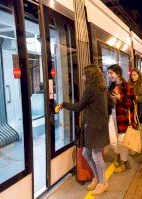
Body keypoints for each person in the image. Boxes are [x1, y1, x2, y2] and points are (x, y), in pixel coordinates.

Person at [55, 65, 110, 196]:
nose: (82, 77)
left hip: (95, 127)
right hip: (95, 126)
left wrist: (64, 104)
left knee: (96, 156)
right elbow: (109, 104)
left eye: (84, 74)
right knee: (86, 153)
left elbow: (79, 106)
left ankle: (103, 183)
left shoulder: (91, 88)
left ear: (90, 75)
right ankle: (97, 178)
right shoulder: (101, 87)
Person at [108, 64, 136, 173]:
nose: (109, 76)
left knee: (121, 141)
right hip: (111, 115)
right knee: (113, 142)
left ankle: (124, 162)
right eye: (109, 73)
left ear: (118, 74)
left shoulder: (127, 86)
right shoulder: (111, 86)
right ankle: (120, 156)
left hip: (123, 117)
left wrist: (120, 98)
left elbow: (131, 104)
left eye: (111, 73)